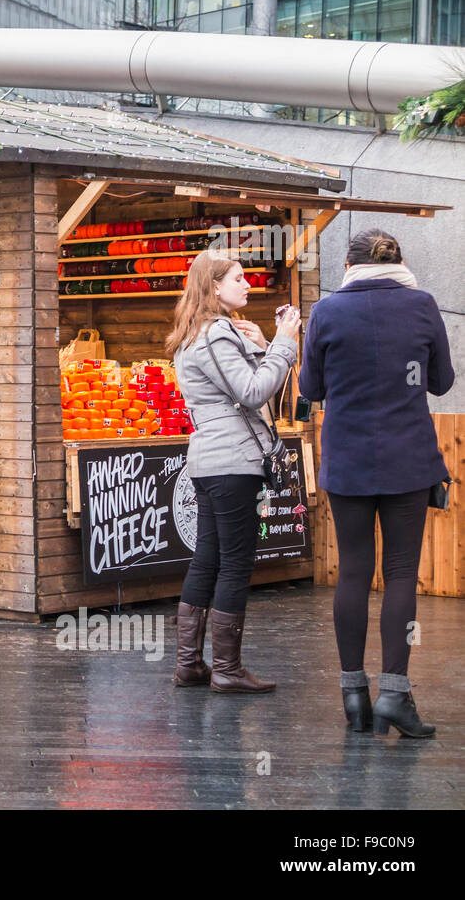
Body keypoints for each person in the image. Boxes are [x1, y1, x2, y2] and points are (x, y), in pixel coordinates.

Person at [299, 230, 454, 738]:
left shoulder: (326, 312)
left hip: (347, 461)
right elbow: (441, 380)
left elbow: (311, 388)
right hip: (408, 458)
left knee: (353, 573)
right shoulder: (422, 305)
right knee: (403, 573)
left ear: (348, 264)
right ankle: (394, 694)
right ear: (400, 262)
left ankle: (353, 695)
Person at [166, 250, 300, 693]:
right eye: (239, 279)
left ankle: (190, 664)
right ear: (214, 287)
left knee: (207, 558)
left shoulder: (192, 334)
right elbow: (253, 391)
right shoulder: (216, 332)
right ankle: (227, 669)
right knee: (236, 563)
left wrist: (262, 346)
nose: (249, 285)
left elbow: (237, 389)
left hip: (208, 459)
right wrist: (283, 343)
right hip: (234, 460)